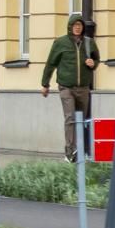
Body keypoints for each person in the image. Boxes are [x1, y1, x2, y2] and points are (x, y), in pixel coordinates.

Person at [41, 13, 101, 162]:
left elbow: (96, 59)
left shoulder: (89, 43)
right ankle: (70, 152)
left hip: (83, 88)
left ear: (83, 27)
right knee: (70, 118)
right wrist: (45, 84)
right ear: (70, 27)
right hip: (66, 87)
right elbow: (51, 63)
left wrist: (93, 64)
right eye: (75, 25)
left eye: (80, 26)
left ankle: (82, 151)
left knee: (82, 120)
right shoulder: (60, 43)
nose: (77, 28)